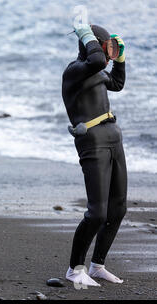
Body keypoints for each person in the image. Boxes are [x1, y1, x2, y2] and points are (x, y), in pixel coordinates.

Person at [62, 24, 127, 287]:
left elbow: (118, 83)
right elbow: (98, 61)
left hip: (113, 137)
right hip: (93, 142)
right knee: (96, 213)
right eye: (108, 46)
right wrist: (85, 33)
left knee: (118, 208)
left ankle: (97, 266)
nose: (109, 53)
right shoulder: (74, 71)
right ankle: (74, 270)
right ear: (93, 45)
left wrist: (121, 58)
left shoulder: (98, 72)